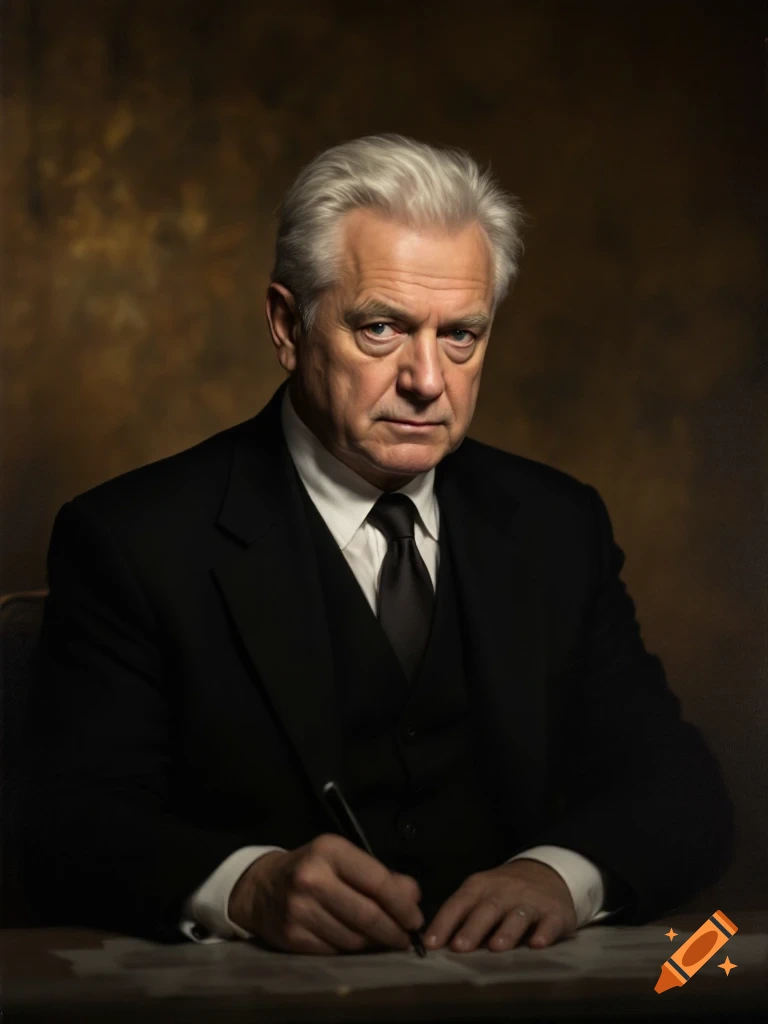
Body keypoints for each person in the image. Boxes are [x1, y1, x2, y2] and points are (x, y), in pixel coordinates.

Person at [22, 134, 733, 955]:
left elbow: (684, 795)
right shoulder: (131, 538)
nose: (428, 379)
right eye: (383, 328)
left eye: (461, 334)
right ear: (288, 325)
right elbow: (67, 827)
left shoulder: (559, 525)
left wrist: (561, 875)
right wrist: (246, 887)